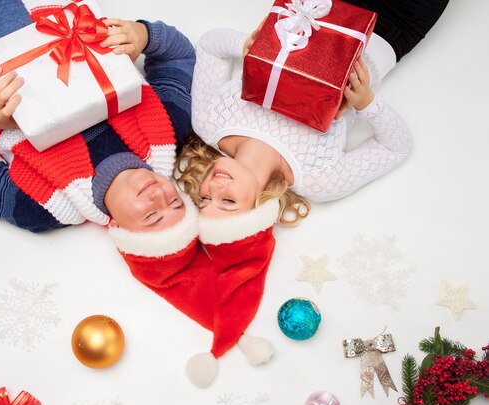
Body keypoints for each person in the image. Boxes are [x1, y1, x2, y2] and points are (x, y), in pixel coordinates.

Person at [0, 0, 274, 388]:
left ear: (120, 230)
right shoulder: (169, 130)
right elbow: (177, 56)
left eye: (151, 216)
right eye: (175, 201)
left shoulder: (43, 204)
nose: (158, 196)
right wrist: (145, 35)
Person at [176, 0, 449, 232]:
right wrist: (365, 102)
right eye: (227, 203)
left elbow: (210, 45)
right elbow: (397, 146)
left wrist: (250, 48)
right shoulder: (320, 181)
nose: (215, 189)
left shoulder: (208, 122)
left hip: (319, 6)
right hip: (392, 24)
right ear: (257, 210)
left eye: (204, 198)